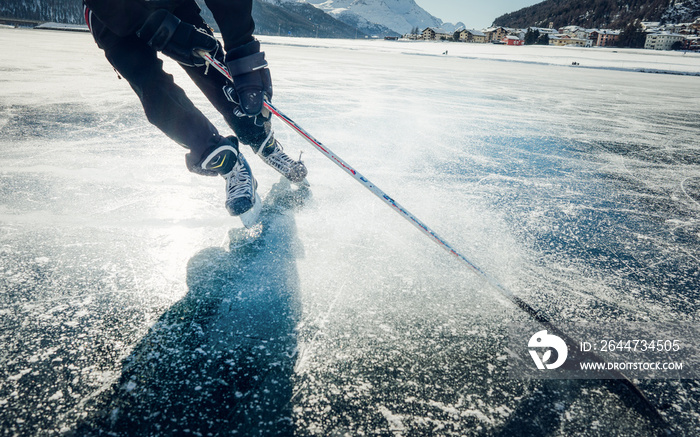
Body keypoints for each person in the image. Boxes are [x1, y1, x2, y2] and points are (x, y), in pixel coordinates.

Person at [83, 0, 307, 217]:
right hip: (110, 16)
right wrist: (150, 24)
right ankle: (224, 160)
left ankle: (259, 137)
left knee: (212, 66)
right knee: (153, 90)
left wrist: (242, 46)